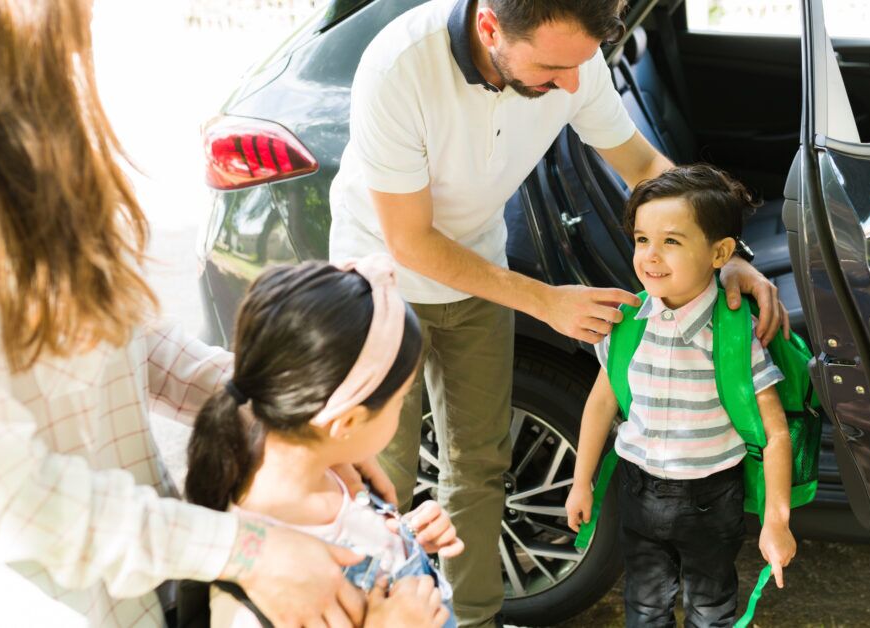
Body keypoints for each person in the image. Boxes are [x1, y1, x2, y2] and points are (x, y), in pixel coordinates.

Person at [0, 1, 420, 625]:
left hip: (135, 592)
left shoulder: (21, 117)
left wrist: (297, 419)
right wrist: (248, 551)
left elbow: (125, 340)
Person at [329, 1, 792, 623]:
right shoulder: (399, 67)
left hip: (480, 273)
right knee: (380, 476)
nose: (573, 85)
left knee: (479, 466)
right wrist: (546, 301)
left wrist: (724, 255)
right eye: (553, 69)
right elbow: (410, 241)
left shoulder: (574, 59)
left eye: (581, 64)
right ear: (490, 29)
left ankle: (473, 618)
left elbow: (643, 167)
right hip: (384, 283)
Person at [565, 165, 798, 627]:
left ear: (720, 253)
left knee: (710, 610)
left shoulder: (734, 334)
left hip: (711, 498)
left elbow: (775, 435)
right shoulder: (626, 325)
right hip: (637, 489)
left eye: (671, 241)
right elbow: (601, 403)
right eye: (641, 239)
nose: (650, 256)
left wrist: (776, 521)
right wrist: (580, 481)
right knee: (644, 607)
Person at [182, 259, 461, 628]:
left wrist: (402, 541)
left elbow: (354, 539)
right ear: (347, 422)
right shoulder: (254, 599)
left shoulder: (333, 475)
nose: (403, 407)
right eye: (399, 400)